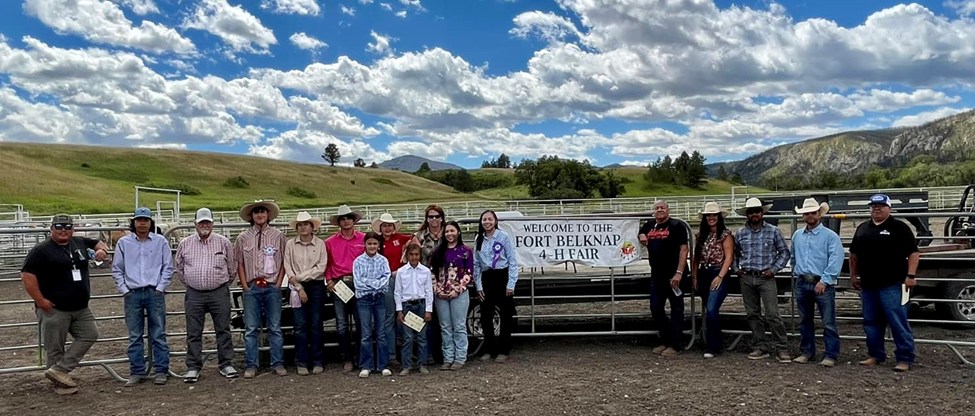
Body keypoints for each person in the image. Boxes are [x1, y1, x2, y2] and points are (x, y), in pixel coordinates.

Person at [21, 214, 109, 394]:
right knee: (55, 346)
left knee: (90, 334)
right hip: (54, 308)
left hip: (81, 307)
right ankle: (59, 384)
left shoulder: (79, 242)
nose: (63, 230)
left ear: (73, 229)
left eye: (67, 227)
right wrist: (40, 301)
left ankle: (60, 370)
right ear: (51, 228)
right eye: (59, 226)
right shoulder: (40, 251)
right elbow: (27, 276)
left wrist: (102, 250)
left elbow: (97, 243)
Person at [850, 194, 920, 372]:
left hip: (893, 283)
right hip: (868, 284)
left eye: (881, 206)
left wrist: (910, 275)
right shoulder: (863, 228)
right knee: (871, 321)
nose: (876, 208)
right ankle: (875, 354)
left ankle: (905, 357)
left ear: (889, 208)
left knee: (897, 320)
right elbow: (854, 255)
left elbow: (913, 253)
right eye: (873, 206)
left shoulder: (899, 227)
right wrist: (853, 276)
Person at [174, 207, 239, 383]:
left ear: (212, 224)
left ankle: (226, 363)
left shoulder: (224, 243)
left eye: (207, 222)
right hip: (194, 293)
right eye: (201, 222)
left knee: (223, 329)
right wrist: (190, 282)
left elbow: (232, 268)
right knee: (193, 332)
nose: (204, 225)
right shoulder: (185, 244)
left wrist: (222, 282)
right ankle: (193, 367)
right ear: (195, 224)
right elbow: (179, 267)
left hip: (219, 291)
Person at [112, 207, 174, 386]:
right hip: (133, 292)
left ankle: (161, 370)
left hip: (154, 291)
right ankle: (137, 371)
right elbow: (117, 268)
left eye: (145, 220)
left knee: (158, 333)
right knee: (134, 335)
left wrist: (160, 287)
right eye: (139, 220)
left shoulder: (160, 241)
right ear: (134, 222)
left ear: (150, 222)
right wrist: (125, 289)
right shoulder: (124, 243)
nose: (142, 223)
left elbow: (167, 266)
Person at [734, 197, 792, 362]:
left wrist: (773, 270)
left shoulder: (773, 231)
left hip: (766, 277)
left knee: (773, 314)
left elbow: (784, 252)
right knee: (752, 314)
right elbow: (735, 254)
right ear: (747, 214)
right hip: (747, 276)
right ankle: (760, 345)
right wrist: (737, 268)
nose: (754, 214)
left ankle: (781, 347)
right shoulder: (740, 233)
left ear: (762, 213)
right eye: (751, 212)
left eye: (757, 211)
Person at [234, 200, 287, 378]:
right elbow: (239, 262)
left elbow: (284, 262)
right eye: (256, 212)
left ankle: (277, 363)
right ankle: (251, 364)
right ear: (251, 216)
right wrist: (245, 284)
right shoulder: (242, 238)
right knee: (251, 328)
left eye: (262, 211)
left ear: (268, 214)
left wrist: (279, 282)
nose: (259, 215)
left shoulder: (279, 236)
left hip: (272, 285)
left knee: (275, 327)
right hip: (252, 285)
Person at [791, 198, 844, 367]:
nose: (810, 216)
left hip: (822, 283)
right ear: (803, 216)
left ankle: (830, 354)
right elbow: (793, 257)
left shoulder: (830, 236)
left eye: (813, 213)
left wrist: (825, 280)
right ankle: (807, 351)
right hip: (803, 281)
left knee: (828, 321)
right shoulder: (797, 236)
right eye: (807, 213)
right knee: (805, 320)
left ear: (819, 214)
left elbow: (836, 259)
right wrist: (797, 272)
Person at [637, 201, 689, 357]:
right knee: (656, 308)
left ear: (668, 210)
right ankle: (666, 339)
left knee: (676, 309)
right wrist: (641, 235)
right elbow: (641, 232)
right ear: (653, 211)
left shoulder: (677, 226)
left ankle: (676, 344)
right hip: (657, 274)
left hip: (674, 275)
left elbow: (684, 249)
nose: (659, 210)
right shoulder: (650, 225)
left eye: (662, 208)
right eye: (657, 208)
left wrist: (679, 272)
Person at [284, 211, 328, 376]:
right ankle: (302, 361)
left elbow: (321, 268)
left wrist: (299, 278)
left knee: (316, 324)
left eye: (306, 224)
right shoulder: (290, 245)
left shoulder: (320, 244)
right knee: (300, 325)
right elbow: (287, 266)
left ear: (312, 227)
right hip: (297, 286)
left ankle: (317, 360)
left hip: (315, 286)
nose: (303, 227)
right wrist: (298, 285)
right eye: (300, 224)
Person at [324, 205, 366, 372]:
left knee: (361, 322)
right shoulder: (329, 242)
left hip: (359, 283)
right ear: (339, 222)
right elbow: (326, 264)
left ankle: (361, 356)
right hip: (339, 283)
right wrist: (329, 281)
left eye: (349, 218)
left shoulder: (364, 239)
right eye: (343, 218)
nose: (346, 221)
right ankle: (347, 358)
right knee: (341, 324)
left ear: (353, 220)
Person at [474, 210, 519, 363]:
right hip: (487, 277)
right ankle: (489, 348)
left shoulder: (504, 237)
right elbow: (476, 264)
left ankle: (504, 349)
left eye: (490, 219)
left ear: (495, 221)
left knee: (506, 315)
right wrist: (479, 285)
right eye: (484, 219)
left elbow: (512, 260)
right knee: (486, 315)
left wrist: (511, 283)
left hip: (502, 275)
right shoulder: (478, 239)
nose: (487, 222)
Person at [690, 202, 733, 358]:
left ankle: (713, 346)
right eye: (709, 215)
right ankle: (712, 340)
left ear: (719, 217)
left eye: (714, 215)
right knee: (709, 308)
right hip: (703, 273)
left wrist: (720, 276)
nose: (711, 218)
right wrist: (694, 276)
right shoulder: (700, 235)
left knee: (711, 308)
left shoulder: (726, 235)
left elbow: (729, 257)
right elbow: (696, 258)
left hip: (718, 271)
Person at [430, 220, 473, 370]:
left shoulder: (466, 251)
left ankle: (460, 357)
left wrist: (457, 289)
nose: (449, 234)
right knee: (445, 326)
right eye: (447, 231)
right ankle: (448, 357)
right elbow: (432, 273)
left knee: (459, 325)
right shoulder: (437, 252)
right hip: (441, 294)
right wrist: (438, 290)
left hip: (459, 293)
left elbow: (469, 273)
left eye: (452, 231)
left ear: (458, 232)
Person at [373, 213, 413, 366]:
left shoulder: (401, 238)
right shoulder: (378, 242)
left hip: (402, 278)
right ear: (380, 228)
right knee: (391, 316)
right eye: (384, 225)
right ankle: (391, 354)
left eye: (390, 225)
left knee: (404, 313)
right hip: (387, 281)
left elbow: (415, 239)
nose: (387, 228)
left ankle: (406, 351)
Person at [353, 232, 392, 377]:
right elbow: (358, 282)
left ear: (379, 245)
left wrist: (371, 283)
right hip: (364, 299)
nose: (372, 246)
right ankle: (366, 365)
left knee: (381, 332)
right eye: (369, 243)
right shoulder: (358, 261)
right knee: (366, 333)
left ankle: (383, 365)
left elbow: (386, 278)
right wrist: (375, 284)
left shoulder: (383, 260)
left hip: (379, 298)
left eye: (375, 243)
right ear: (365, 244)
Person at [395, 243, 433, 375]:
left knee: (422, 337)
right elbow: (397, 292)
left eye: (416, 254)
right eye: (411, 254)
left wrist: (428, 310)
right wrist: (399, 310)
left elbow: (429, 291)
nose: (414, 257)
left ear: (420, 255)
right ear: (407, 255)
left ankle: (422, 364)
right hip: (407, 306)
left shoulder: (426, 271)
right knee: (408, 337)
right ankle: (407, 365)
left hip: (421, 305)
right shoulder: (401, 272)